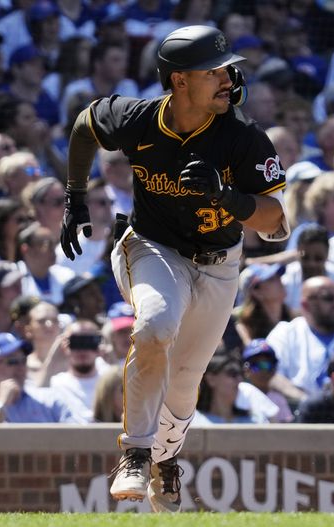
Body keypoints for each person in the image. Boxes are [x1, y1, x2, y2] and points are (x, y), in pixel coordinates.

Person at [59, 25, 289, 511]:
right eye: (215, 72)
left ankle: (166, 458)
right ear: (180, 80)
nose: (228, 79)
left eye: (228, 69)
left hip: (219, 264)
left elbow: (277, 223)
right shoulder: (139, 119)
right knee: (156, 325)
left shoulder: (242, 137)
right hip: (151, 245)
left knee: (184, 382)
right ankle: (137, 455)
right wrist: (74, 196)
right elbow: (84, 125)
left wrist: (227, 197)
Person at [0, 332, 75, 424]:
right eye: (12, 361)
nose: (21, 367)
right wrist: (1, 406)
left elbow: (78, 439)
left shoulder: (49, 400)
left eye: (23, 360)